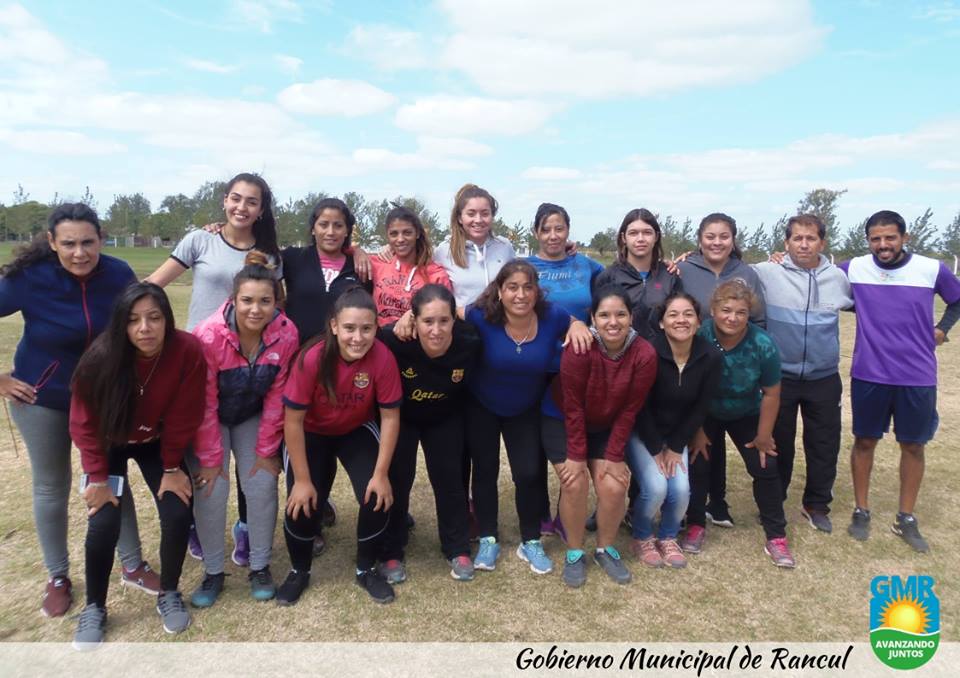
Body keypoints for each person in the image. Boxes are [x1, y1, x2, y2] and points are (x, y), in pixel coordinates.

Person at [0, 203, 156, 619]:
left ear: (101, 240)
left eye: (88, 242)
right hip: (43, 399)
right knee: (52, 487)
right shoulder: (30, 278)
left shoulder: (119, 273)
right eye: (68, 244)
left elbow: (142, 322)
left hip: (106, 400)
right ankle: (57, 576)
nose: (79, 253)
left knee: (110, 480)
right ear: (52, 243)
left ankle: (133, 564)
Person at [147, 172, 283, 567]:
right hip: (197, 366)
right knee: (207, 464)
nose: (242, 207)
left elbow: (278, 309)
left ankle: (245, 530)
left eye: (252, 201)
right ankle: (198, 526)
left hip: (248, 374)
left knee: (251, 468)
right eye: (235, 199)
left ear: (261, 210)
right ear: (225, 200)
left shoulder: (270, 255)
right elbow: (154, 287)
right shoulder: (199, 240)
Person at [70, 283, 206, 646]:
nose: (144, 328)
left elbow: (184, 413)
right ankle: (94, 608)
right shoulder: (100, 358)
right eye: (134, 320)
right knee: (103, 522)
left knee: (178, 512)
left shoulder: (187, 350)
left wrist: (173, 466)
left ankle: (170, 592)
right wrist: (97, 477)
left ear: (167, 320)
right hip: (109, 444)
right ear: (122, 325)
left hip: (157, 444)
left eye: (154, 318)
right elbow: (84, 423)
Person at [840, 210, 960, 552]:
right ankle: (861, 510)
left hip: (917, 375)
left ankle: (905, 516)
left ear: (904, 238)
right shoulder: (854, 268)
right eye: (876, 239)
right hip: (869, 372)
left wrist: (941, 329)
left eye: (890, 237)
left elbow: (957, 299)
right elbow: (815, 276)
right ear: (868, 241)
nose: (883, 245)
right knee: (864, 442)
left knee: (913, 445)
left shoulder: (931, 268)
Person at [188, 252, 300, 608]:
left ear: (276, 302)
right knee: (213, 488)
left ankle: (260, 566)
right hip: (212, 417)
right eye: (247, 300)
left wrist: (267, 451)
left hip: (253, 414)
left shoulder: (286, 334)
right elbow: (203, 403)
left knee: (262, 482)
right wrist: (209, 459)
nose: (256, 309)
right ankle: (214, 571)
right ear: (233, 300)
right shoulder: (207, 336)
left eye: (265, 301)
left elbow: (277, 394)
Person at [465, 261, 590, 575]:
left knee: (529, 474)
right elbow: (443, 313)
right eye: (512, 287)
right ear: (500, 291)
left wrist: (576, 324)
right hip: (482, 405)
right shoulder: (481, 315)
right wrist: (412, 316)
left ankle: (530, 540)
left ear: (537, 290)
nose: (520, 295)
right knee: (484, 472)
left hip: (526, 409)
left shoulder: (552, 316)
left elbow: (571, 320)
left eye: (527, 287)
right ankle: (488, 538)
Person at [278, 288, 402, 605]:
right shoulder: (313, 358)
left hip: (354, 430)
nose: (358, 337)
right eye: (349, 328)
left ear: (376, 327)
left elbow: (389, 418)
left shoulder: (383, 358)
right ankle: (299, 571)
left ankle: (365, 569)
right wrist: (303, 481)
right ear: (334, 326)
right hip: (310, 432)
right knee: (303, 502)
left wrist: (381, 473)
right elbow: (292, 421)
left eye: (367, 328)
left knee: (377, 495)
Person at [680, 280, 795, 568]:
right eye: (726, 310)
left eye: (741, 312)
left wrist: (764, 435)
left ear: (749, 314)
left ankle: (776, 536)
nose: (732, 318)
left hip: (747, 410)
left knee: (765, 465)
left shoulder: (762, 344)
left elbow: (772, 392)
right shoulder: (699, 336)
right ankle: (695, 524)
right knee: (699, 462)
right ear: (714, 310)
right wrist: (696, 430)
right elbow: (690, 388)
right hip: (705, 410)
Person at [280, 197, 373, 554]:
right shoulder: (293, 259)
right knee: (308, 441)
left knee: (345, 438)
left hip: (350, 370)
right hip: (301, 368)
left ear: (348, 230)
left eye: (339, 225)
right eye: (323, 224)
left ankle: (375, 509)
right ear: (313, 227)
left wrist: (360, 249)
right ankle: (310, 516)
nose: (331, 231)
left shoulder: (360, 264)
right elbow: (255, 252)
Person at [547, 286, 657, 587]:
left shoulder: (644, 354)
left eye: (620, 314)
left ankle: (605, 549)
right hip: (562, 419)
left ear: (631, 317)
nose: (613, 322)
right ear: (592, 318)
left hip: (606, 422)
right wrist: (577, 457)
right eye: (604, 315)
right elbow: (573, 407)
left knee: (614, 484)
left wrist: (614, 457)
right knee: (575, 481)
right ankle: (574, 552)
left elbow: (630, 409)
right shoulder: (580, 348)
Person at [753, 214, 853, 534]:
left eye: (811, 238)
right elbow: (727, 270)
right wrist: (684, 260)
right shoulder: (767, 272)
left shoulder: (837, 277)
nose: (804, 244)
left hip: (823, 376)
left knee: (823, 443)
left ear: (822, 243)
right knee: (777, 441)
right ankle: (774, 501)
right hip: (779, 376)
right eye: (797, 238)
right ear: (786, 242)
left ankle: (817, 504)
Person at [379, 285, 481, 583]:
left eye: (444, 321)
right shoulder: (394, 339)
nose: (436, 330)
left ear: (454, 320)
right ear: (414, 319)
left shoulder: (470, 341)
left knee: (450, 478)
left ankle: (457, 546)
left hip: (445, 417)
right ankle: (391, 549)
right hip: (403, 418)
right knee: (398, 478)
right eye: (427, 321)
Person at [676, 212, 765, 530]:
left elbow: (759, 320)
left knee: (729, 435)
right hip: (697, 369)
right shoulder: (683, 269)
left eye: (723, 236)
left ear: (733, 240)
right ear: (699, 239)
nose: (716, 242)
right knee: (703, 441)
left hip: (737, 374)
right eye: (710, 236)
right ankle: (700, 508)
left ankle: (719, 504)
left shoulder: (747, 273)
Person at [526, 202, 603, 539]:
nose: (553, 235)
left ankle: (563, 512)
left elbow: (617, 290)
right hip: (533, 366)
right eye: (546, 229)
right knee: (534, 445)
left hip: (575, 368)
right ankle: (538, 511)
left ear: (569, 231)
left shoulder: (588, 265)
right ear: (536, 233)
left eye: (559, 228)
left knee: (568, 439)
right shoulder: (524, 266)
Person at [630, 292, 721, 569]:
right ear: (661, 323)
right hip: (642, 433)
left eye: (688, 314)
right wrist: (657, 449)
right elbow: (639, 407)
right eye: (673, 314)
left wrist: (676, 446)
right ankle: (642, 534)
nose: (681, 320)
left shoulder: (710, 356)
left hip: (677, 436)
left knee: (681, 491)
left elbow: (701, 407)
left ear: (698, 320)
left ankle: (668, 536)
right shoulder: (647, 352)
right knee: (656, 488)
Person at [595, 208, 683, 340]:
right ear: (623, 238)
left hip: (663, 356)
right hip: (620, 356)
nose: (640, 239)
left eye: (647, 232)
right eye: (633, 233)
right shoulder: (608, 277)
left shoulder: (670, 275)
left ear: (656, 237)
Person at [434, 184, 515, 309]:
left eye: (485, 213)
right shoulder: (443, 251)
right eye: (471, 214)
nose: (478, 220)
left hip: (499, 324)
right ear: (460, 218)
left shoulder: (505, 247)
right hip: (462, 325)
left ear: (492, 216)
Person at [370, 204, 451, 328]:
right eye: (394, 234)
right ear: (387, 235)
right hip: (382, 341)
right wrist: (357, 252)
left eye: (407, 232)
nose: (400, 239)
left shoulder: (435, 274)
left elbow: (445, 313)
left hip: (418, 342)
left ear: (417, 233)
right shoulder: (377, 264)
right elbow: (341, 255)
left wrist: (412, 314)